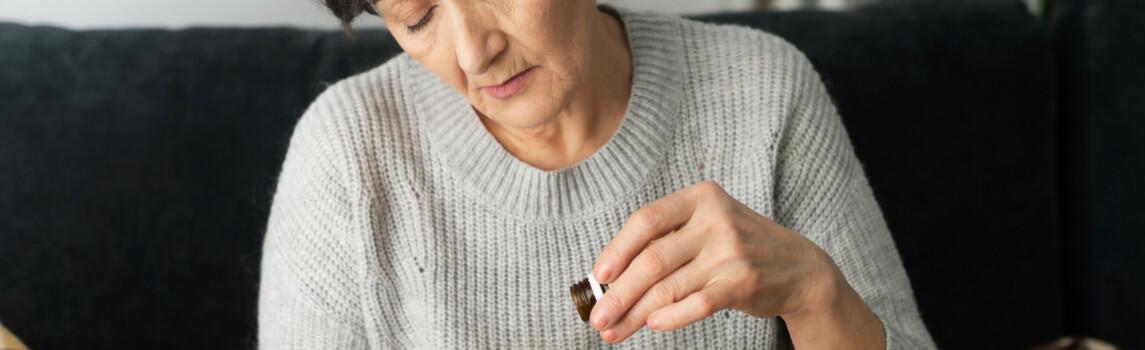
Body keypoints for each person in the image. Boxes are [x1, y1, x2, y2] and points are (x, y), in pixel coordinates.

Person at [256, 0, 936, 348]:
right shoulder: (347, 157)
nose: (475, 53)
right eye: (418, 16)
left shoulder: (762, 93)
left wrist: (816, 294)